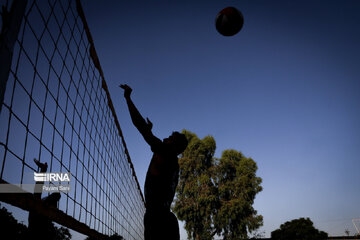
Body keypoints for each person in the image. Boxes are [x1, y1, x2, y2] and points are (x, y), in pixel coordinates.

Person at [120, 84, 188, 240]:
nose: (165, 138)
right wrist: (149, 131)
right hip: (166, 219)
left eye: (169, 138)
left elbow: (139, 125)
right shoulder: (172, 161)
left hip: (157, 220)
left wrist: (128, 98)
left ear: (173, 144)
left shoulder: (165, 151)